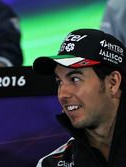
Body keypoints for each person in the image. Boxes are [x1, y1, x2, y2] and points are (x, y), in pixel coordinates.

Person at [33, 29, 126, 166]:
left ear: (113, 83)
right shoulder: (50, 164)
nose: (62, 95)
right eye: (59, 82)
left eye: (75, 79)